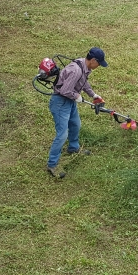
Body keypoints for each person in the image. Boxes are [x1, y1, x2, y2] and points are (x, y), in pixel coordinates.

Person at [46, 47, 108, 178]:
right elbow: (65, 91)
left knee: (75, 125)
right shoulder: (76, 70)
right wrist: (77, 96)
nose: (98, 66)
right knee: (62, 134)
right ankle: (52, 164)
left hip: (69, 101)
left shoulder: (84, 65)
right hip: (60, 102)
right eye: (99, 63)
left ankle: (73, 148)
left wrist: (93, 95)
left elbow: (83, 83)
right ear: (93, 60)